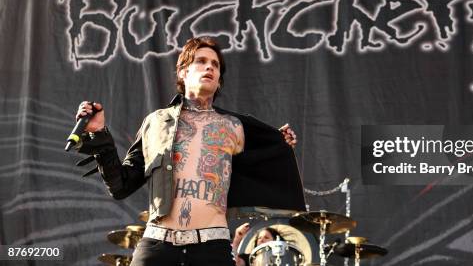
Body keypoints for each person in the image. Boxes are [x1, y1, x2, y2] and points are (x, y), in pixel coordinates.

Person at [74, 37, 306, 266]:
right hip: (157, 246)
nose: (209, 67)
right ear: (183, 72)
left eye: (215, 65)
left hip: (211, 249)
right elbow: (120, 185)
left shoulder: (234, 127)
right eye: (201, 61)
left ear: (219, 81)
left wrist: (280, 141)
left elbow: (268, 153)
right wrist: (99, 134)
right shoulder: (156, 122)